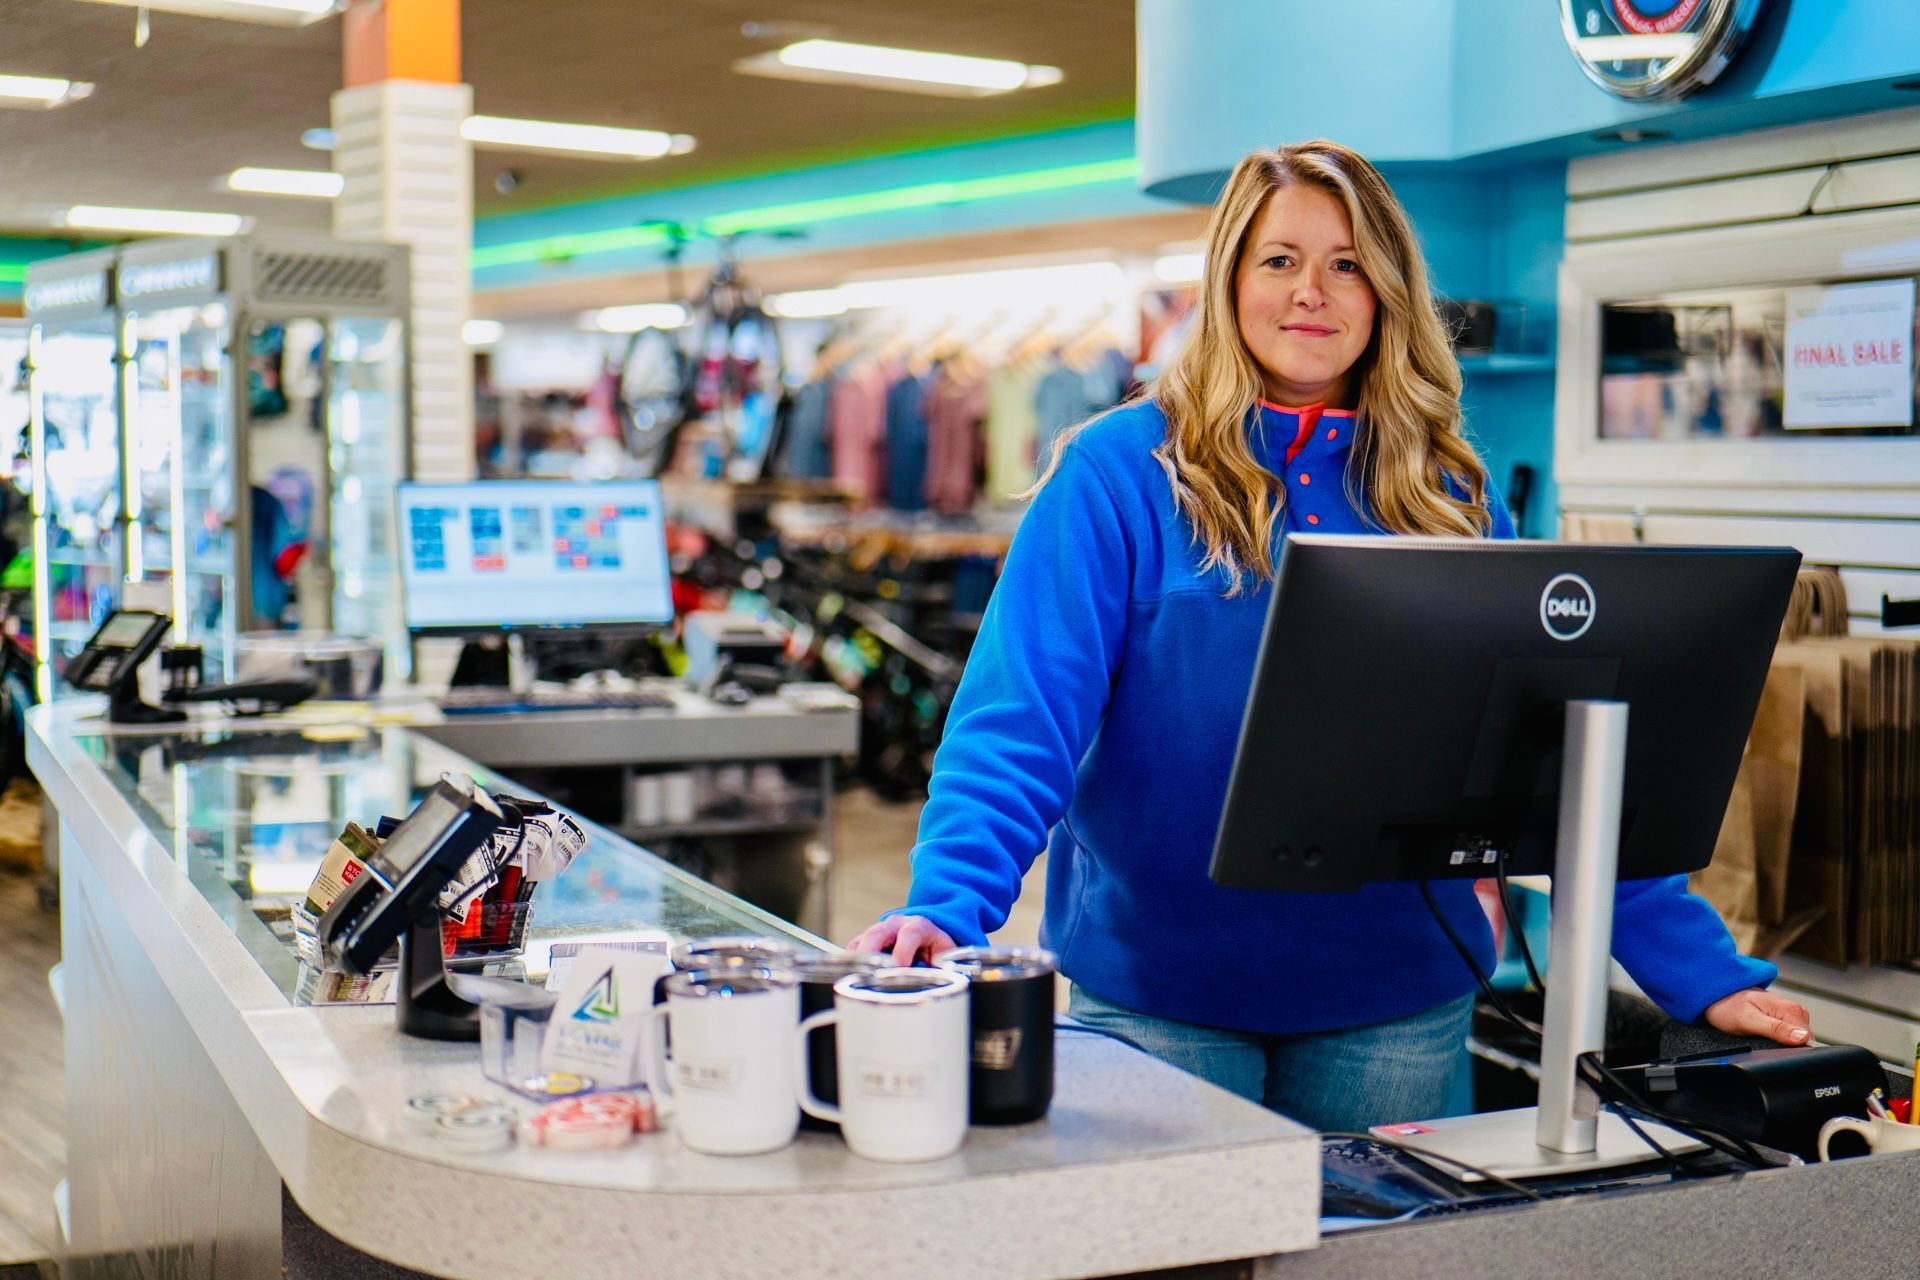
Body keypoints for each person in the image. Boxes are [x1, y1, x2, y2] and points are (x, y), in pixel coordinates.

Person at [848, 141, 1811, 1133]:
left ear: (1387, 290)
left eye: (1347, 263)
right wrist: (948, 904)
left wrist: (1696, 974)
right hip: (1159, 995)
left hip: (1393, 1005)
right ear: (1229, 281)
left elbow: (1558, 762)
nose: (1313, 291)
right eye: (1280, 259)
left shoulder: (1448, 496)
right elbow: (1020, 716)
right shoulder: (1118, 473)